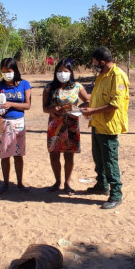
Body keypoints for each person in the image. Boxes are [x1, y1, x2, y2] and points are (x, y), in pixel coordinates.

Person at [80, 47, 130, 209]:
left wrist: (92, 110)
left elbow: (115, 104)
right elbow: (96, 98)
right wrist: (86, 106)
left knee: (109, 160)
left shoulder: (118, 76)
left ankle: (116, 194)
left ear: (102, 61)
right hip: (97, 123)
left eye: (95, 62)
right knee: (98, 157)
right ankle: (101, 185)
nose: (93, 65)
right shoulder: (102, 76)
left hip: (109, 126)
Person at [42, 59, 90, 194]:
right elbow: (45, 108)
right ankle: (57, 182)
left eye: (65, 71)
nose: (62, 73)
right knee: (54, 155)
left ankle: (67, 184)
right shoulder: (49, 88)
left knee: (69, 156)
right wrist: (54, 109)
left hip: (71, 125)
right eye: (59, 71)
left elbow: (87, 100)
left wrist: (77, 108)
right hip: (55, 126)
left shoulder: (77, 87)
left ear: (71, 72)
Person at [0, 57, 32, 194]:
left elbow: (27, 105)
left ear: (14, 70)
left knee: (18, 154)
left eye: (8, 71)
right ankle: (5, 184)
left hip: (18, 123)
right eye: (3, 71)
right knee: (5, 154)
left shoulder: (24, 84)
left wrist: (11, 104)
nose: (6, 74)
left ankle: (20, 183)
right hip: (2, 123)